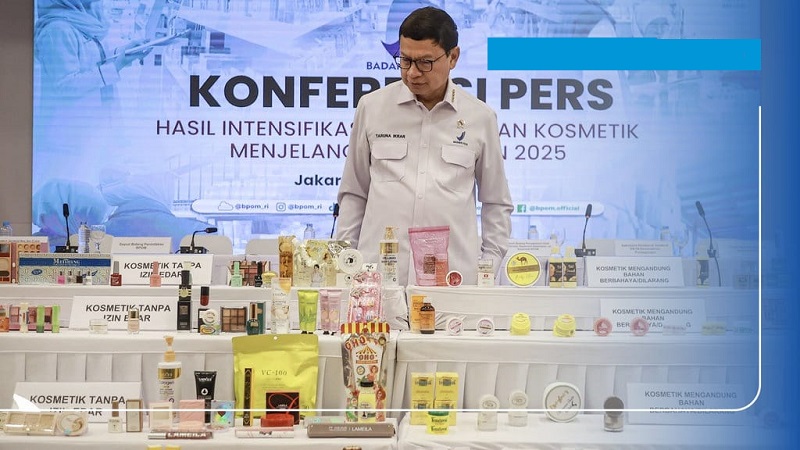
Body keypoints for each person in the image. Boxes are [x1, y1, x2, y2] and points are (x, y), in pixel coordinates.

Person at [336, 6, 513, 286]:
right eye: (405, 60)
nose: (412, 73)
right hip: (378, 280)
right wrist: (346, 263)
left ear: (453, 57)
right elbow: (354, 193)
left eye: (425, 62)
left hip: (452, 282)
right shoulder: (372, 108)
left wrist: (486, 268)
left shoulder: (480, 118)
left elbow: (496, 202)